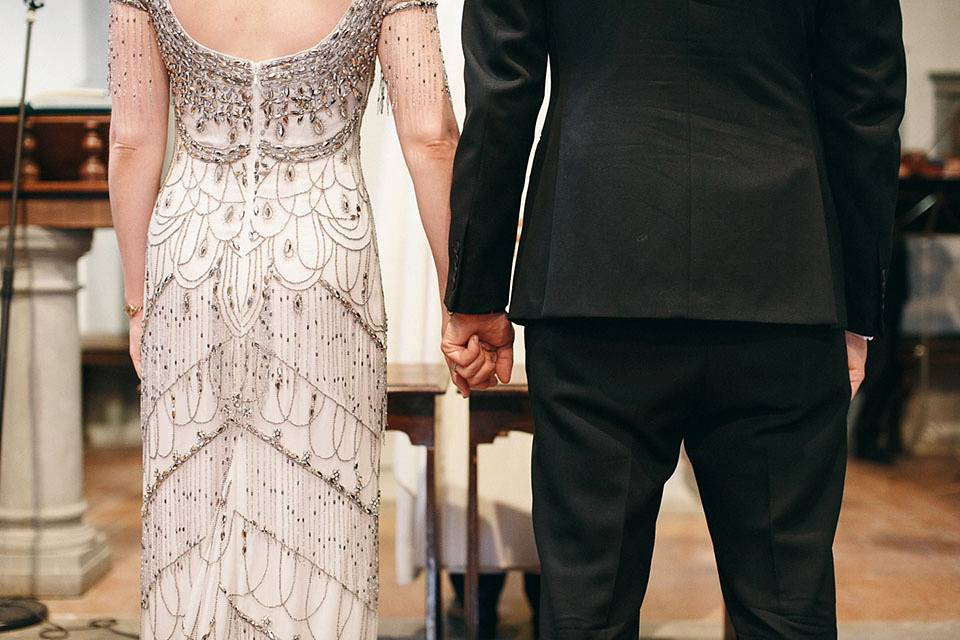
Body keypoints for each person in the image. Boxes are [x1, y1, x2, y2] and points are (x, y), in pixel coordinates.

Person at [441, 1, 906, 638]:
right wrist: (857, 311)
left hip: (594, 275)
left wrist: (476, 296)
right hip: (782, 278)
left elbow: (501, 91)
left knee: (586, 606)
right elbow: (866, 103)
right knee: (785, 605)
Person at [107, 0, 472, 637]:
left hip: (190, 258)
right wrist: (462, 296)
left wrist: (138, 303)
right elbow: (432, 135)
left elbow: (132, 141)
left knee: (188, 523)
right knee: (317, 512)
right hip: (322, 254)